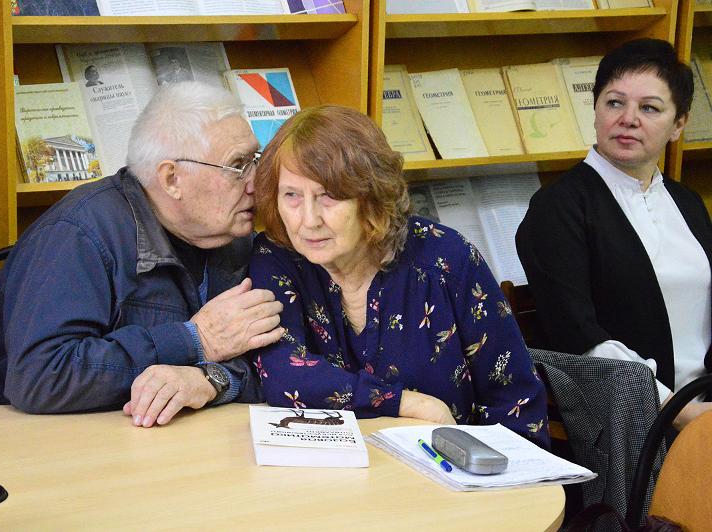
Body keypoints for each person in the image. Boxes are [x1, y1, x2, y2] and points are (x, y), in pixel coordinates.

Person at [0, 82, 286, 428]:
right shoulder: (77, 234)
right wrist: (195, 340)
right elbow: (41, 376)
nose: (256, 183)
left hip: (154, 442)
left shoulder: (236, 237)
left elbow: (281, 359)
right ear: (171, 179)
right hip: (12, 442)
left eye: (255, 160)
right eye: (238, 166)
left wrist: (212, 380)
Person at [250, 105, 549, 447]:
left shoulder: (446, 259)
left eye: (328, 197)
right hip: (328, 473)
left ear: (370, 196)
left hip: (451, 468)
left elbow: (516, 403)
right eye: (291, 195)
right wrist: (410, 404)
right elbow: (282, 373)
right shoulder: (276, 256)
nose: (309, 220)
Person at [516, 39, 712, 430]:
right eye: (615, 102)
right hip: (632, 424)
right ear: (595, 110)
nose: (628, 119)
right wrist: (678, 413)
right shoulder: (557, 208)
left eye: (649, 108)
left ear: (678, 124)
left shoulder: (687, 202)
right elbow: (581, 339)